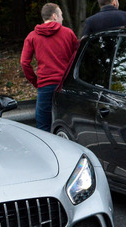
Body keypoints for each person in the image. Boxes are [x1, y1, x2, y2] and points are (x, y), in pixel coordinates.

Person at [20, 3, 78, 132]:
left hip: (45, 86)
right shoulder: (68, 33)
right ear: (54, 16)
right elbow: (77, 57)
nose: (62, 19)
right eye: (61, 15)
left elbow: (24, 62)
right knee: (69, 125)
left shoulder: (32, 36)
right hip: (65, 85)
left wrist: (35, 82)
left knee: (43, 127)